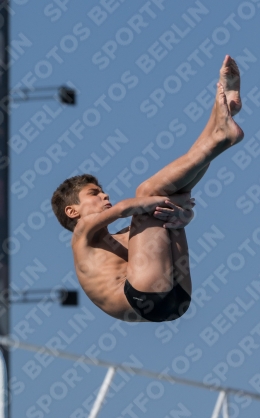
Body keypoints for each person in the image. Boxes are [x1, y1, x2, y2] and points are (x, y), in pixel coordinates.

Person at [51, 55, 244, 323]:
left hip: (174, 299)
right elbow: (122, 208)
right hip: (143, 295)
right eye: (94, 194)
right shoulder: (81, 236)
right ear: (72, 210)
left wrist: (183, 216)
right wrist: (166, 207)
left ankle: (222, 112)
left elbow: (174, 203)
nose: (104, 195)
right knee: (147, 191)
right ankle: (221, 131)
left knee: (166, 202)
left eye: (101, 191)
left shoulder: (125, 238)